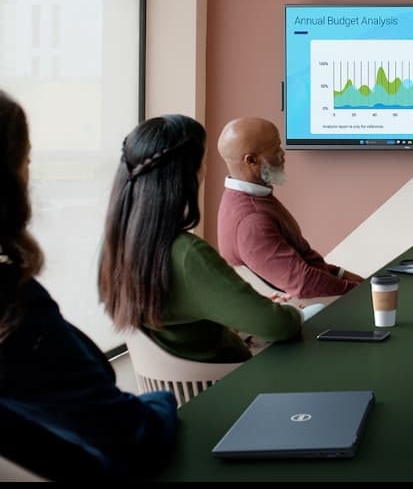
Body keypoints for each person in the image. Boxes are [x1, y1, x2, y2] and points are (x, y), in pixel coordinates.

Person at [0, 90, 177, 478]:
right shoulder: (16, 312)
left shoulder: (115, 245)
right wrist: (164, 401)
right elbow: (132, 434)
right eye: (25, 160)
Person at [98, 114, 306, 363]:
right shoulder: (188, 255)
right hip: (229, 383)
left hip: (188, 388)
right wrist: (290, 312)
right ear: (188, 174)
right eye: (203, 161)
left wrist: (249, 308)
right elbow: (279, 327)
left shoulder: (117, 244)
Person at [217, 117, 363, 299]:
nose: (282, 154)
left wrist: (343, 275)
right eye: (276, 149)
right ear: (251, 160)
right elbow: (304, 284)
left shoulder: (249, 198)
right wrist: (363, 293)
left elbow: (304, 260)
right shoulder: (251, 222)